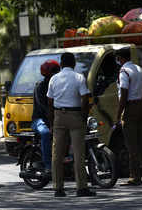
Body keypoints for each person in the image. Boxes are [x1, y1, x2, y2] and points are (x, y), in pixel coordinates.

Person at [47, 52, 96, 197]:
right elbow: (85, 99)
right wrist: (83, 117)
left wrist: (52, 122)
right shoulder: (79, 77)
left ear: (61, 64)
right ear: (73, 63)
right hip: (76, 116)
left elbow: (49, 102)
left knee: (57, 153)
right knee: (79, 153)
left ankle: (58, 188)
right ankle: (81, 188)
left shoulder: (54, 79)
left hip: (59, 116)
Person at [115, 47, 142, 186]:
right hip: (140, 106)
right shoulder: (139, 69)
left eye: (117, 58)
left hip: (129, 108)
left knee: (131, 145)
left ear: (121, 58)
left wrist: (118, 114)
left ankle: (135, 177)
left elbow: (123, 93)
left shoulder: (124, 71)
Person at [31, 60, 60, 175]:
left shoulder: (59, 84)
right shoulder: (40, 86)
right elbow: (44, 106)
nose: (56, 74)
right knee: (45, 133)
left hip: (55, 118)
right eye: (53, 71)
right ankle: (48, 165)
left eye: (57, 71)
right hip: (39, 120)